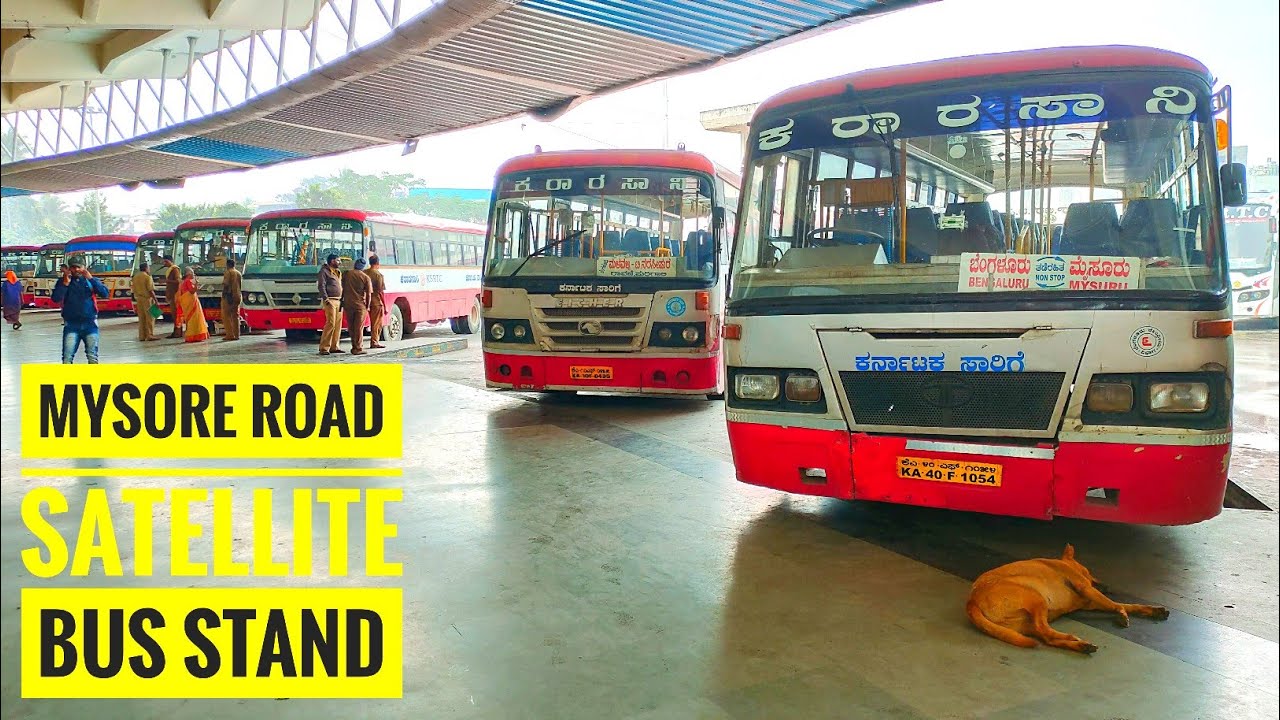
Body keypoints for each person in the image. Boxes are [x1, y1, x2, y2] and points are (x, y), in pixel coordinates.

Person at [51, 260, 109, 363]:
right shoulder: (63, 282)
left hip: (90, 324)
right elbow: (56, 298)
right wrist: (65, 284)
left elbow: (104, 293)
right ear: (70, 269)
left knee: (92, 357)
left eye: (79, 267)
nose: (76, 270)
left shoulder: (91, 281)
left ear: (84, 268)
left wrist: (91, 279)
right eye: (73, 267)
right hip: (71, 325)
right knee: (67, 357)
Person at [341, 257, 372, 355]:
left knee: (351, 326)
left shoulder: (347, 274)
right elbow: (369, 294)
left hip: (348, 304)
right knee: (359, 327)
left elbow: (342, 288)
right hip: (360, 305)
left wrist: (342, 300)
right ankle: (358, 348)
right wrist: (367, 306)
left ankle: (353, 345)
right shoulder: (365, 277)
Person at [317, 253, 344, 355]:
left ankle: (334, 346)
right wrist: (326, 299)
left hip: (339, 300)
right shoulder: (324, 272)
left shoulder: (337, 272)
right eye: (338, 260)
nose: (340, 262)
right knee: (331, 323)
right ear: (332, 261)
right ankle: (324, 348)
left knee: (338, 325)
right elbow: (321, 286)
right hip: (330, 300)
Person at [175, 267, 209, 343]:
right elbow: (192, 291)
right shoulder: (188, 281)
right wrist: (196, 284)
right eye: (193, 273)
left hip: (186, 303)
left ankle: (191, 335)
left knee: (189, 320)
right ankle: (194, 336)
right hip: (191, 303)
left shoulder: (183, 282)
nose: (194, 275)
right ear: (189, 274)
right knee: (194, 319)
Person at [130, 262, 162, 341]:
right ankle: (149, 335)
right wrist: (156, 301)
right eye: (149, 268)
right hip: (147, 299)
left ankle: (142, 336)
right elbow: (151, 290)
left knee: (141, 318)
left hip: (139, 299)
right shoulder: (148, 277)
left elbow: (133, 289)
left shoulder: (135, 277)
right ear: (146, 268)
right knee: (150, 318)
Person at [365, 254, 387, 348]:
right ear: (378, 263)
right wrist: (385, 306)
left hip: (365, 301)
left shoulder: (364, 272)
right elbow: (381, 292)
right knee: (377, 323)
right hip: (376, 302)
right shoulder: (379, 275)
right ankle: (374, 342)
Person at [221, 256, 243, 341]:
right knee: (236, 315)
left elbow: (226, 284)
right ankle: (237, 335)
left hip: (229, 296)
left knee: (226, 316)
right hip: (237, 296)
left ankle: (230, 335)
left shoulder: (228, 272)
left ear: (227, 265)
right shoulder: (238, 273)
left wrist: (224, 295)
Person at [162, 256, 182, 338]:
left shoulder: (175, 269)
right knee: (174, 315)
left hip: (175, 295)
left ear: (170, 261)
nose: (164, 263)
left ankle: (178, 332)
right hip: (171, 294)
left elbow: (178, 281)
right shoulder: (170, 270)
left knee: (176, 314)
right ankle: (176, 331)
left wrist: (167, 281)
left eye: (166, 262)